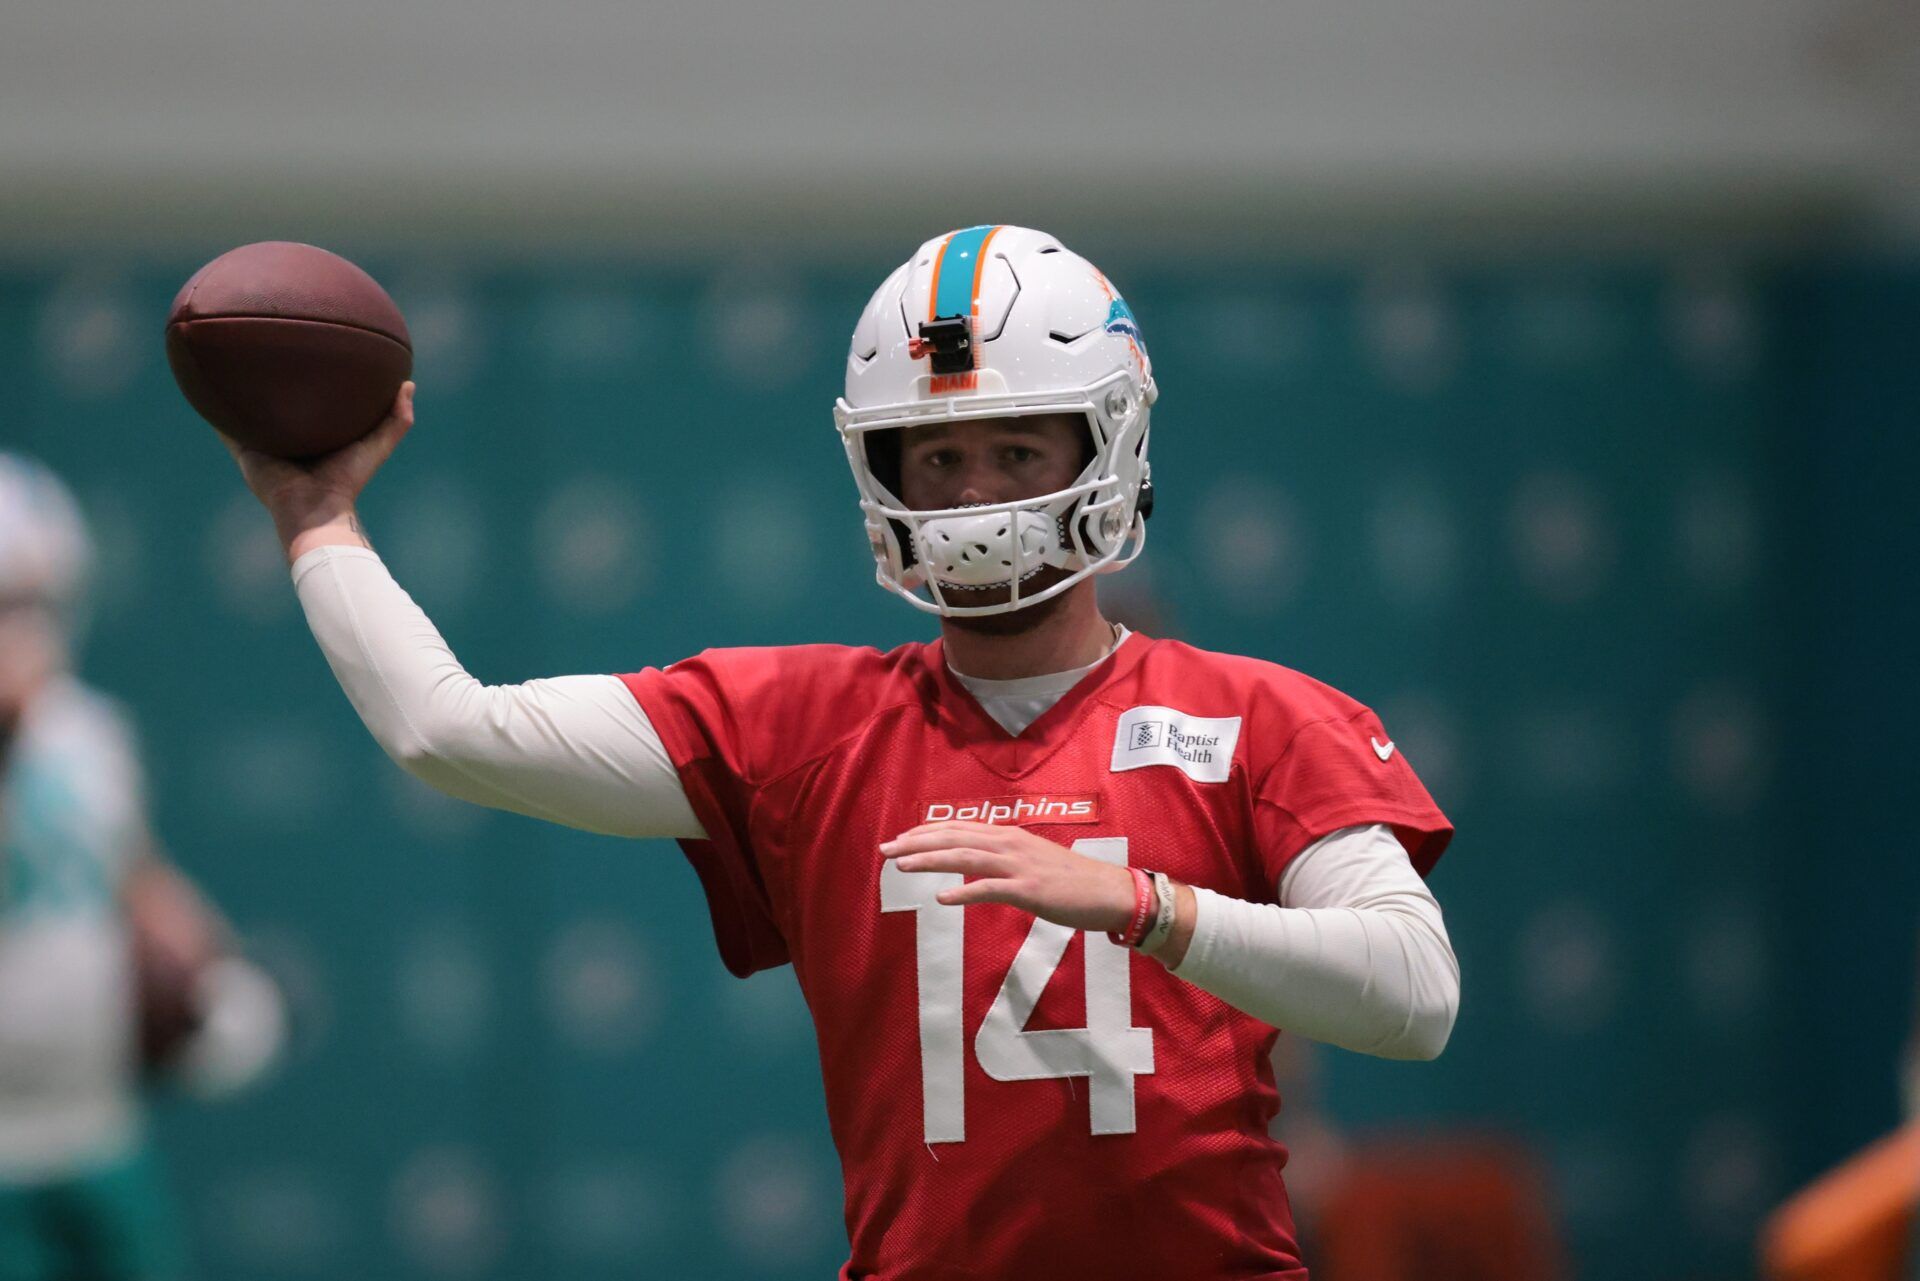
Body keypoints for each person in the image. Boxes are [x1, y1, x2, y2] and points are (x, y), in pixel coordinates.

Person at [223, 225, 1461, 1280]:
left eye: (1017, 450)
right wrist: (317, 519)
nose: (974, 495)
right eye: (939, 456)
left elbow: (1416, 997)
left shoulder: (1257, 717)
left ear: (1107, 447)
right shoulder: (804, 731)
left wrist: (1143, 906)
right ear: (880, 468)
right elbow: (450, 731)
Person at [0, 454, 285, 1281]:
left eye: (27, 605)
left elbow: (132, 874)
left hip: (99, 1130)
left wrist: (211, 967)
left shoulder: (90, 738)